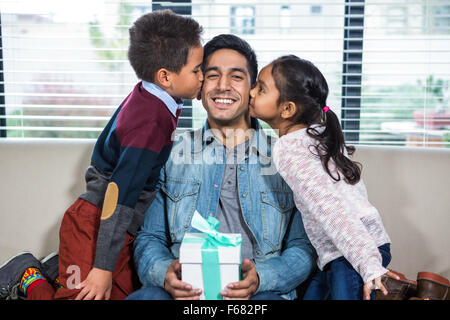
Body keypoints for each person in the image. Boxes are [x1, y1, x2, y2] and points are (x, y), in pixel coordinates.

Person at [0, 9, 204, 300]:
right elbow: (119, 195)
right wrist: (102, 267)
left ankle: (58, 270)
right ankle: (27, 275)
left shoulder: (158, 95)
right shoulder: (150, 120)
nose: (202, 77)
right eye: (197, 70)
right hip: (97, 221)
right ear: (165, 76)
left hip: (118, 230)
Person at [126, 34, 317, 301]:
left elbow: (303, 247)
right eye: (213, 75)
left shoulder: (289, 158)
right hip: (185, 293)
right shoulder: (170, 153)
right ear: (200, 87)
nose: (223, 86)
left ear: (254, 90)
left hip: (260, 295)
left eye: (237, 77)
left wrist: (261, 278)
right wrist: (163, 274)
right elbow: (150, 238)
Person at [248, 54, 401, 300]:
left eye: (261, 89)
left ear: (287, 109)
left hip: (351, 251)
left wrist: (368, 264)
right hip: (347, 249)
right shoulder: (318, 136)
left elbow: (331, 209)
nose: (251, 92)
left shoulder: (289, 148)